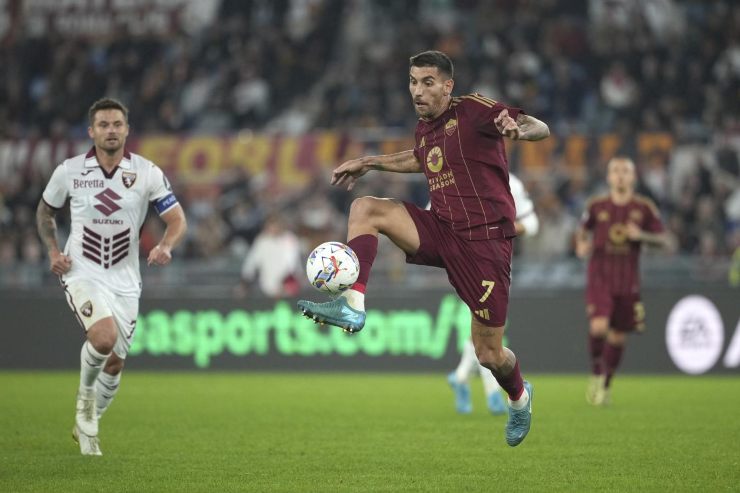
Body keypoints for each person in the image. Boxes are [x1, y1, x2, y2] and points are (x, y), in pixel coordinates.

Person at [298, 50, 550, 446]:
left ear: (448, 86)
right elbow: (420, 160)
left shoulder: (474, 110)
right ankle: (353, 305)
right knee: (365, 208)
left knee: (489, 354)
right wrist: (369, 162)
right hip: (442, 229)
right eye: (413, 82)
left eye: (427, 82)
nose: (418, 90)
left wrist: (518, 129)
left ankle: (519, 398)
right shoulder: (424, 129)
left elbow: (540, 126)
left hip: (485, 244)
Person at [36, 98, 187, 455]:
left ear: (127, 130)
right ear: (91, 131)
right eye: (103, 125)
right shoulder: (70, 171)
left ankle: (88, 422)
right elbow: (45, 212)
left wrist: (166, 245)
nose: (110, 130)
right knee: (103, 339)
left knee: (116, 361)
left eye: (117, 124)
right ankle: (85, 402)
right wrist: (53, 252)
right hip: (82, 271)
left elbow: (177, 219)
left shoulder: (147, 172)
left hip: (125, 279)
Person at [575, 156, 670, 406]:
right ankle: (596, 371)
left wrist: (642, 236)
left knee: (618, 337)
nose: (620, 175)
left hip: (628, 281)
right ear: (608, 177)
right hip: (600, 277)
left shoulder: (644, 208)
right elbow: (583, 230)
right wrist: (582, 245)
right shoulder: (596, 205)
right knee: (598, 327)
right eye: (615, 171)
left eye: (625, 171)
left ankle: (606, 384)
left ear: (633, 177)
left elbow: (664, 240)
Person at [447, 172, 539, 415]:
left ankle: (462, 377)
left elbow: (532, 223)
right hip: (464, 264)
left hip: (496, 263)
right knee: (488, 332)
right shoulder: (451, 173)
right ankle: (489, 392)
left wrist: (498, 230)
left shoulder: (511, 182)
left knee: (484, 334)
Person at [238, 214, 302, 298]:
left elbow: (292, 263)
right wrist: (244, 282)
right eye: (270, 226)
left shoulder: (289, 239)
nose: (273, 229)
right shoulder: (262, 241)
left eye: (276, 225)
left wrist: (288, 283)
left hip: (288, 288)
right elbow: (252, 262)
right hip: (267, 289)